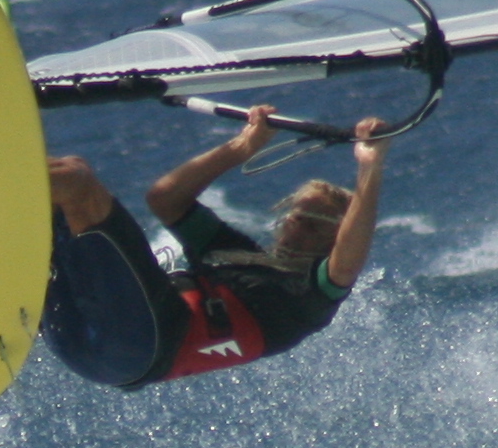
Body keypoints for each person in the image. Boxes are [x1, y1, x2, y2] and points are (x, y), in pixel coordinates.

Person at [40, 107, 388, 389]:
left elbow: (346, 264)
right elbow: (166, 199)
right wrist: (242, 147)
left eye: (312, 224)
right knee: (67, 173)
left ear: (333, 241)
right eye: (295, 216)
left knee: (77, 184)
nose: (295, 225)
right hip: (82, 344)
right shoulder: (237, 254)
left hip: (140, 343)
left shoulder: (310, 298)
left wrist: (370, 167)